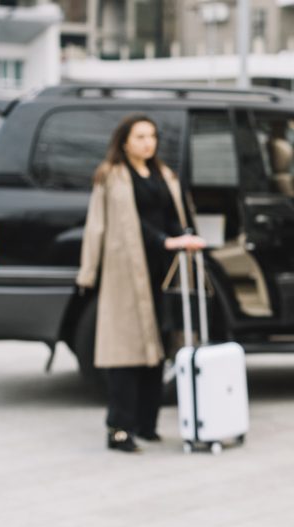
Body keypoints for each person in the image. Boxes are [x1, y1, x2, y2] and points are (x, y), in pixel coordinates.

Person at [76, 115, 206, 453]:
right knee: (125, 354)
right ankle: (119, 429)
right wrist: (88, 273)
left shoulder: (164, 175)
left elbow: (172, 217)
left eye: (152, 136)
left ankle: (146, 425)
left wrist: (184, 238)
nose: (148, 143)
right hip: (125, 271)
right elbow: (98, 227)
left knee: (158, 350)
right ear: (124, 142)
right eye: (140, 137)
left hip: (161, 272)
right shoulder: (111, 177)